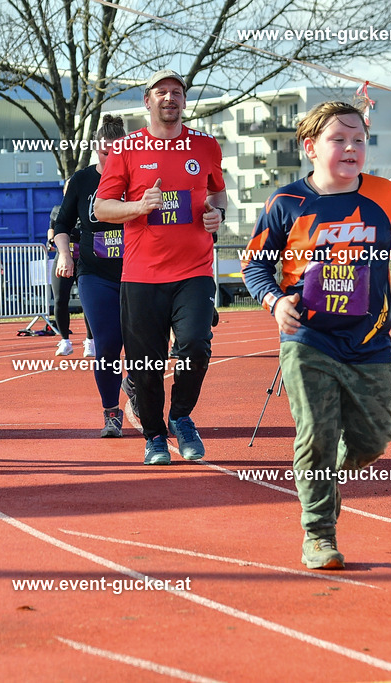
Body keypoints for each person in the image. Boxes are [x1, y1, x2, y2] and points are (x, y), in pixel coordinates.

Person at [241, 101, 391, 570]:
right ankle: (319, 535)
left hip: (371, 342)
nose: (351, 148)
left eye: (359, 140)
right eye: (338, 139)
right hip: (308, 339)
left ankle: (322, 475)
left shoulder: (385, 195)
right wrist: (275, 302)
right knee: (316, 435)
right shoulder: (287, 204)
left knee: (373, 442)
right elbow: (255, 263)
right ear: (310, 148)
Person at [94, 69, 227, 465]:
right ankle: (154, 435)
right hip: (141, 275)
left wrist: (216, 216)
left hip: (195, 270)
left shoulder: (205, 146)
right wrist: (139, 207)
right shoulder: (126, 149)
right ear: (147, 102)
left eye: (177, 92)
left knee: (194, 346)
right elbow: (103, 208)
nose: (170, 98)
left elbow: (218, 195)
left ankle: (182, 417)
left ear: (184, 101)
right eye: (161, 92)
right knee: (145, 363)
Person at [53, 114, 128, 436]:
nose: (110, 158)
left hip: (138, 272)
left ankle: (138, 389)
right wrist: (64, 254)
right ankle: (111, 413)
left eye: (117, 152)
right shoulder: (82, 181)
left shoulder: (139, 177)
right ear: (96, 150)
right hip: (94, 273)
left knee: (143, 349)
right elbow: (62, 224)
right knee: (108, 345)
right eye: (104, 152)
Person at [47, 210, 93, 356]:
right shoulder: (58, 210)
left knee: (88, 300)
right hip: (63, 258)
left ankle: (90, 341)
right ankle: (65, 341)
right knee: (60, 299)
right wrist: (50, 240)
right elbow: (52, 229)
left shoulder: (87, 206)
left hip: (84, 260)